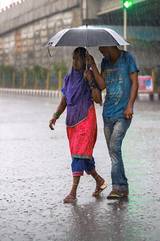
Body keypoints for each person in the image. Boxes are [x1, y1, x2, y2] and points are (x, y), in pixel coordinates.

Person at [49, 47, 106, 204]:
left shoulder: (88, 76)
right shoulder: (68, 78)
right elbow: (65, 100)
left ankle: (73, 193)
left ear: (85, 60)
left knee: (79, 155)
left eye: (78, 58)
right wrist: (55, 116)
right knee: (83, 156)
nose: (75, 61)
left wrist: (91, 81)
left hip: (86, 120)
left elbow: (98, 100)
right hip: (72, 123)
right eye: (73, 58)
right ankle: (100, 181)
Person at [86, 46, 139, 199]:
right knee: (113, 151)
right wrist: (93, 65)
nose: (102, 52)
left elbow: (135, 83)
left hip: (123, 113)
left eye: (103, 49)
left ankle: (117, 187)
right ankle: (123, 186)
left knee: (115, 148)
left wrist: (130, 105)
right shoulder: (105, 62)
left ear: (110, 45)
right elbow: (102, 85)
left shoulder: (127, 58)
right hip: (107, 113)